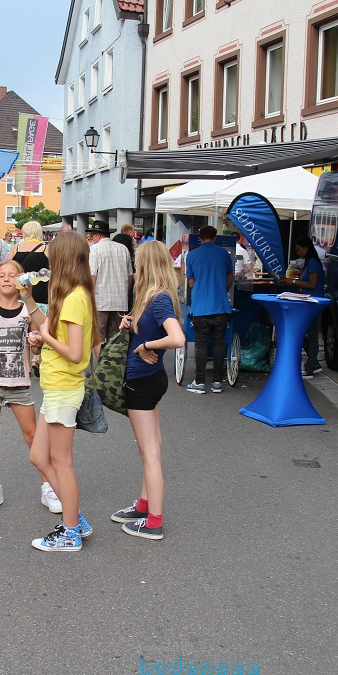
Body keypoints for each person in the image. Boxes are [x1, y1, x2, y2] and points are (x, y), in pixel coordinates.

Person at [0, 260, 61, 513]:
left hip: (19, 382)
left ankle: (48, 487)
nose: (7, 279)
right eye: (2, 276)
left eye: (12, 275)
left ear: (20, 280)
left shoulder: (26, 310)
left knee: (33, 437)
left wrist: (29, 301)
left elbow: (44, 328)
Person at [27, 231, 99, 552]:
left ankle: (70, 530)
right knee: (39, 456)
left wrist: (44, 337)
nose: (48, 263)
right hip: (56, 387)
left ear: (63, 260)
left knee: (61, 461)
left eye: (52, 258)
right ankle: (74, 519)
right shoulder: (75, 294)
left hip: (62, 387)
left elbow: (72, 353)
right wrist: (30, 302)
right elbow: (58, 335)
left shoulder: (74, 298)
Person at [112, 241, 185, 541]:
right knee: (151, 449)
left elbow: (178, 338)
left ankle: (154, 520)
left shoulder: (157, 299)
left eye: (137, 261)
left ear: (146, 264)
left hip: (142, 382)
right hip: (150, 379)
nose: (134, 267)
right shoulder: (156, 297)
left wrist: (146, 345)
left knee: (150, 453)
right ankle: (144, 506)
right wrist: (131, 326)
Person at [185, 225, 234, 394]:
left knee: (200, 345)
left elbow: (191, 282)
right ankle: (217, 383)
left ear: (200, 237)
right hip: (221, 306)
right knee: (219, 345)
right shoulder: (224, 254)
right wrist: (223, 289)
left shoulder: (191, 255)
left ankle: (199, 383)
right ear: (215, 237)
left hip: (200, 307)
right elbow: (230, 276)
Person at [282, 237, 326, 378]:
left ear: (306, 248)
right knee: (304, 333)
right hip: (308, 301)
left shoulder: (312, 263)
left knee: (311, 334)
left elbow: (312, 284)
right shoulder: (309, 262)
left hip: (312, 302)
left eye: (299, 249)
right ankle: (313, 363)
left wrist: (294, 282)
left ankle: (310, 367)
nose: (298, 252)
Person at [87, 219, 133, 342]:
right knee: (116, 338)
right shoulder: (123, 249)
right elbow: (130, 276)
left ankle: (100, 361)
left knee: (98, 337)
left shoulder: (94, 250)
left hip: (100, 301)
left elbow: (92, 277)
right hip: (120, 301)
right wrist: (125, 294)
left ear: (97, 235)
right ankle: (113, 361)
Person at [9, 221, 50, 310]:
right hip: (40, 292)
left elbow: (7, 266)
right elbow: (53, 271)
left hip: (20, 289)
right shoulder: (45, 249)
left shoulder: (16, 248)